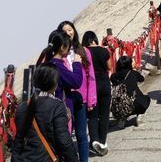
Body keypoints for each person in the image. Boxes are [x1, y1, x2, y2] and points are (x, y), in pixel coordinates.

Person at [12, 64, 79, 162]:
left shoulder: (22, 107)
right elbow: (64, 141)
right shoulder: (56, 106)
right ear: (54, 84)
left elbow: (18, 140)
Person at [37, 30, 84, 138]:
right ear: (63, 47)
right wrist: (77, 63)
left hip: (46, 110)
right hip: (60, 112)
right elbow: (76, 82)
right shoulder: (57, 66)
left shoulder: (46, 63)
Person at [57, 21, 92, 162]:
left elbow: (91, 77)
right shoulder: (60, 54)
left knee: (82, 134)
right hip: (65, 99)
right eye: (65, 31)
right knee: (66, 134)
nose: (68, 33)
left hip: (81, 96)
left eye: (70, 30)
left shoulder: (83, 51)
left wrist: (91, 99)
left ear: (74, 31)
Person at [82, 31, 112, 157]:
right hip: (105, 84)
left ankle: (94, 140)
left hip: (91, 87)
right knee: (104, 114)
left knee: (93, 115)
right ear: (95, 39)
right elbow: (109, 67)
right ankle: (103, 142)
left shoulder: (83, 53)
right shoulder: (104, 51)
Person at [110, 56, 150, 128]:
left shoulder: (114, 76)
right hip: (134, 102)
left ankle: (122, 119)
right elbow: (142, 79)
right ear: (129, 64)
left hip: (119, 105)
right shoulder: (133, 73)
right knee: (146, 99)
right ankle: (140, 117)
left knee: (124, 101)